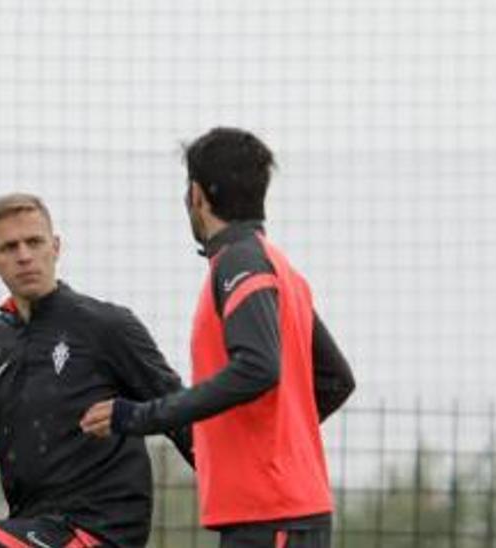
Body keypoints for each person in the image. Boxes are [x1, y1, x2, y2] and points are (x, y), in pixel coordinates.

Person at [79, 127, 356, 548]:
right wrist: (260, 442)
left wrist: (136, 416)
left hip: (270, 515)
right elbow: (336, 379)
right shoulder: (281, 269)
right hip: (285, 510)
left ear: (196, 194)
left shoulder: (239, 261)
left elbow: (258, 367)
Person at [0, 193, 194, 548]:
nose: (24, 256)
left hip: (99, 529)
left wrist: (240, 497)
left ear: (55, 247)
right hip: (33, 526)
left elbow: (181, 414)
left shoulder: (106, 326)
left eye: (34, 242)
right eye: (9, 247)